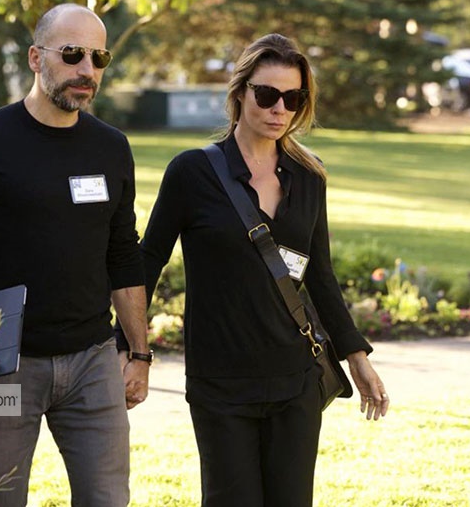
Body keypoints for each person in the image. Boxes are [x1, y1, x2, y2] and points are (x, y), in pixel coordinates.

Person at [117, 33, 390, 507]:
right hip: (221, 383)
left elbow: (319, 274)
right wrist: (131, 349)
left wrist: (356, 356)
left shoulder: (310, 176)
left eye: (293, 98)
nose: (279, 108)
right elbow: (148, 260)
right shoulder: (191, 172)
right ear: (240, 93)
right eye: (266, 95)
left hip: (296, 379)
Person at [0, 4, 151, 506]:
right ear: (35, 57)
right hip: (1, 360)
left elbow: (123, 254)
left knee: (108, 499)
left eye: (98, 58)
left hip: (93, 359)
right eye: (72, 54)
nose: (87, 70)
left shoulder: (112, 147)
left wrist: (139, 353)